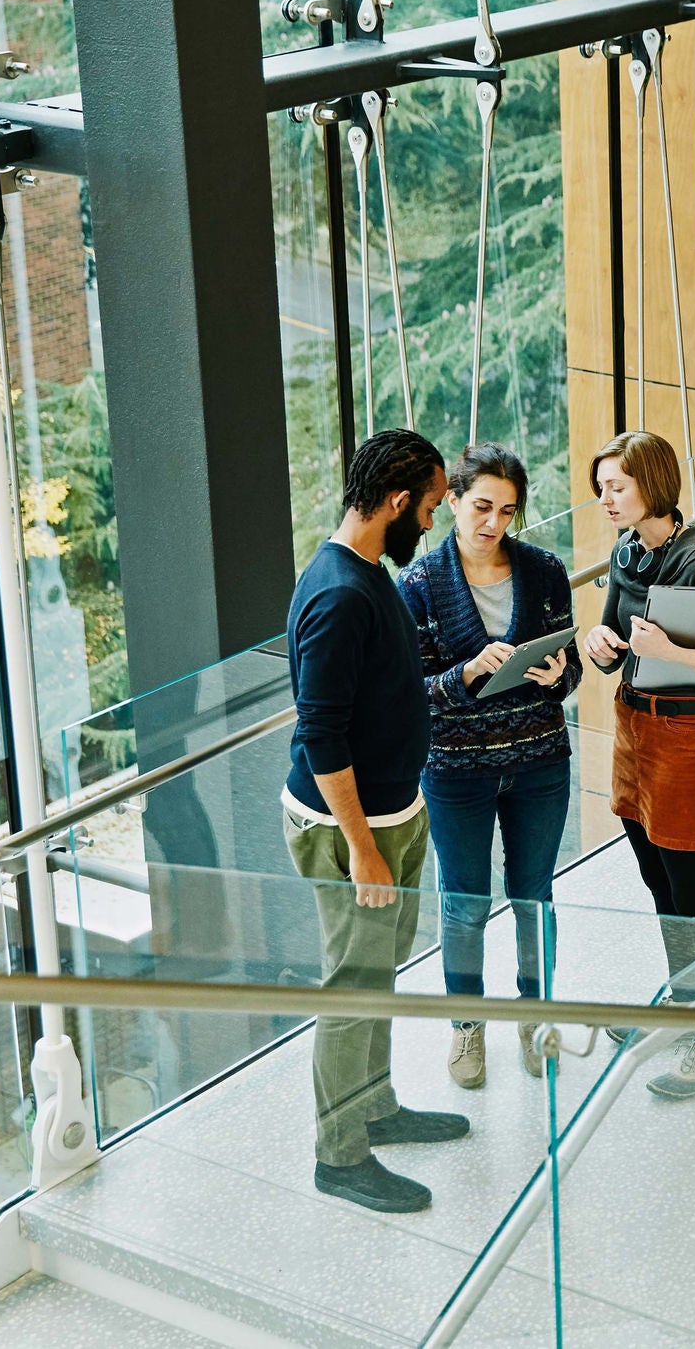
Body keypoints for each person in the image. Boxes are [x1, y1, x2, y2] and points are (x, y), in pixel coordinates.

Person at [283, 428, 467, 1216]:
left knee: (377, 973)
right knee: (351, 988)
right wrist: (363, 848)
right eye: (426, 510)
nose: (429, 526)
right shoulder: (337, 592)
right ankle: (340, 1152)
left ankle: (375, 1105)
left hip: (394, 813)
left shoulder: (363, 573)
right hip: (352, 832)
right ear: (396, 503)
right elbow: (318, 735)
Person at [581, 430, 695, 1100]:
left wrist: (676, 652)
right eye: (601, 486)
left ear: (652, 486)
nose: (605, 498)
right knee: (659, 883)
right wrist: (599, 642)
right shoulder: (628, 551)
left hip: (685, 737)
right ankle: (683, 1013)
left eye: (617, 487)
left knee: (694, 894)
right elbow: (611, 647)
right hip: (633, 726)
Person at [399, 445, 581, 1090]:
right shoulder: (417, 586)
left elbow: (572, 663)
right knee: (465, 904)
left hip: (539, 764)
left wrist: (563, 676)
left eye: (506, 511)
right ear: (451, 500)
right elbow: (408, 693)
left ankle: (537, 1015)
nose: (493, 523)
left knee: (535, 895)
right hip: (456, 773)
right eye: (481, 506)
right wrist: (465, 674)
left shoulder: (545, 570)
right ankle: (467, 1025)